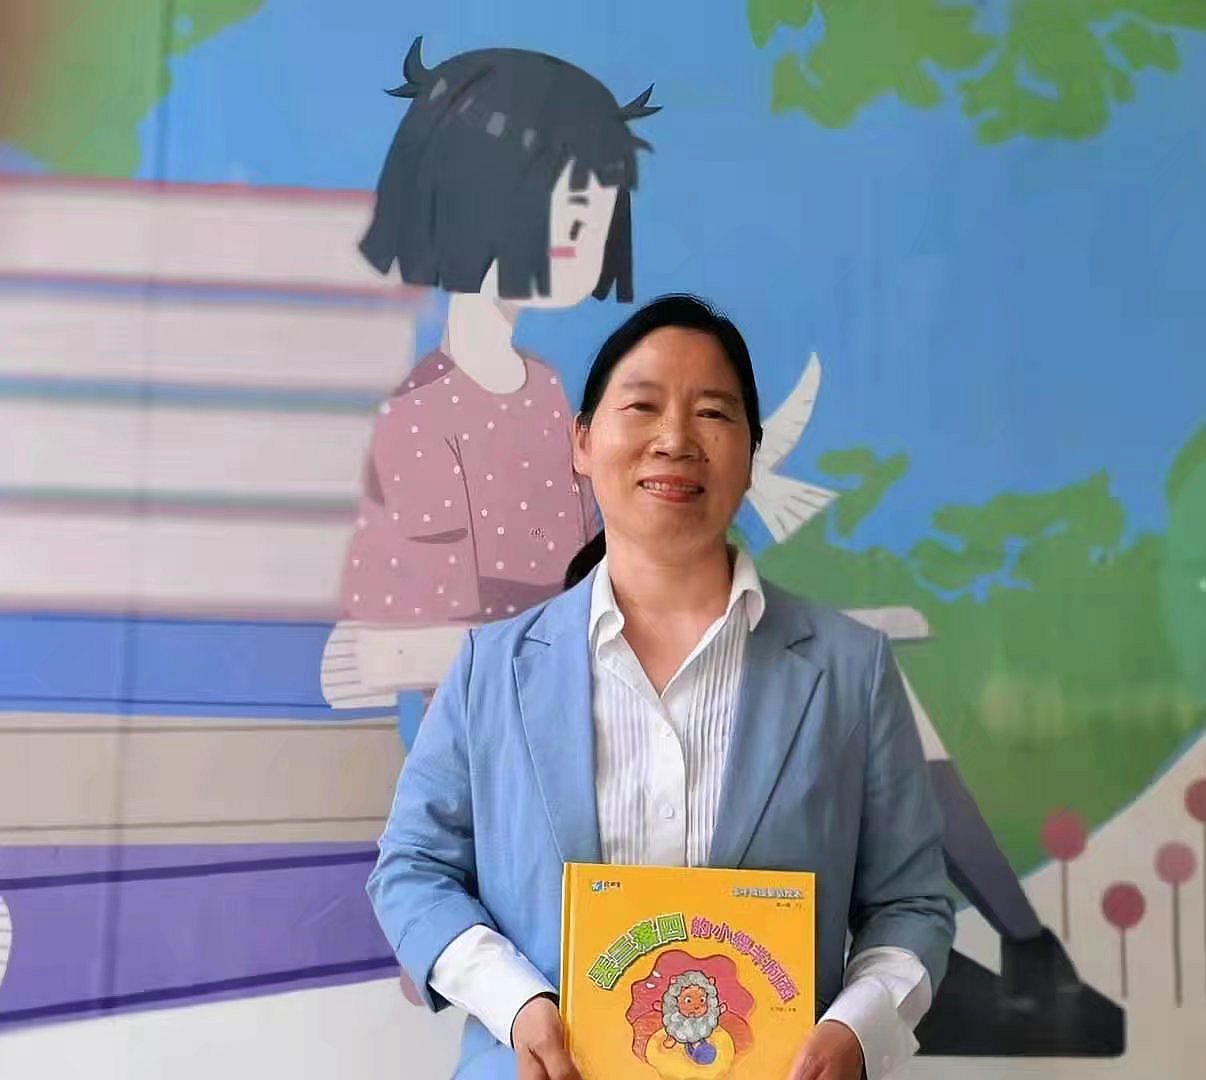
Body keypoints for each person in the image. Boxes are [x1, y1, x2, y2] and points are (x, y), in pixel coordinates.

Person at [366, 294, 955, 1079]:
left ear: (751, 453)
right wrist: (516, 1004)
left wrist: (856, 1028)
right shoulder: (492, 668)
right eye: (642, 406)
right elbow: (412, 870)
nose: (675, 439)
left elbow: (911, 904)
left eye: (713, 413)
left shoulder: (852, 670)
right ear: (582, 442)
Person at [321, 38, 657, 742]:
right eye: (563, 206)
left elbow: (588, 563)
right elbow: (407, 639)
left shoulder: (544, 386)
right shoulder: (423, 416)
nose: (584, 232)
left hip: (569, 716)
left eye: (594, 209)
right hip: (477, 738)